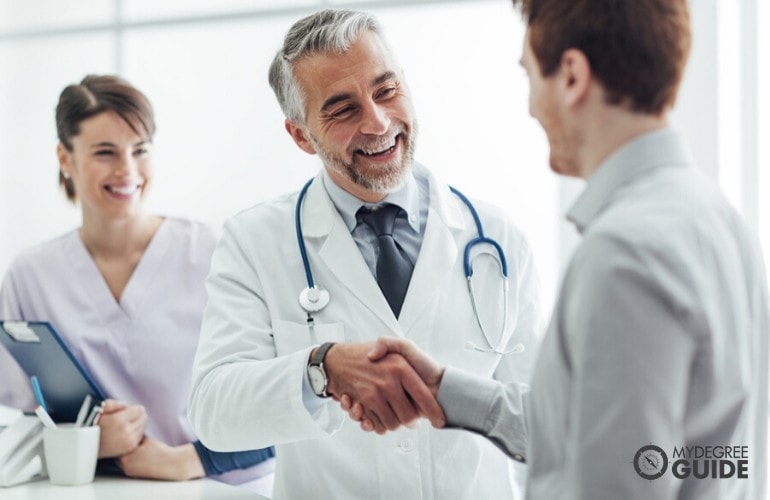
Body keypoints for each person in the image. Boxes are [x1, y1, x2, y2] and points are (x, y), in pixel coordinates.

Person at [343, 0, 770, 499]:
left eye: (529, 76)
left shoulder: (623, 256)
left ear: (571, 76)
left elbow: (618, 484)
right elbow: (650, 448)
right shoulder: (711, 213)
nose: (530, 106)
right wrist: (444, 391)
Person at [188, 8, 542, 500]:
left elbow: (539, 421)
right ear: (299, 134)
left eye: (386, 90)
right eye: (342, 109)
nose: (377, 122)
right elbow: (213, 413)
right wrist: (321, 369)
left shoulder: (498, 238)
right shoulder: (254, 241)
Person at [0, 75, 275, 492]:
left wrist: (189, 460)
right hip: (99, 490)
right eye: (105, 152)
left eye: (140, 150)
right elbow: (16, 423)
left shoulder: (211, 253)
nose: (127, 170)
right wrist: (86, 441)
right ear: (65, 157)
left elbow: (284, 401)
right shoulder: (30, 274)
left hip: (219, 487)